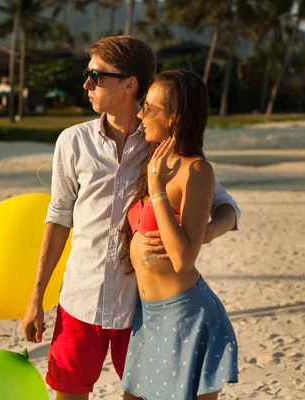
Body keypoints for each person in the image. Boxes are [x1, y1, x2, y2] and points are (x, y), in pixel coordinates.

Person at [21, 36, 240, 400]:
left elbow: (225, 203)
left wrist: (202, 234)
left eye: (96, 75)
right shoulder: (72, 142)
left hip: (138, 311)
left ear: (129, 84)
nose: (87, 83)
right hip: (80, 300)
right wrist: (36, 296)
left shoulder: (161, 140)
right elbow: (58, 218)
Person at [121, 70, 238, 400]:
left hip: (186, 317)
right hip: (149, 316)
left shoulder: (196, 170)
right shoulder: (154, 157)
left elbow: (184, 259)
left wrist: (157, 190)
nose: (141, 113)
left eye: (149, 107)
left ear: (175, 118)